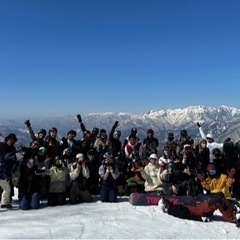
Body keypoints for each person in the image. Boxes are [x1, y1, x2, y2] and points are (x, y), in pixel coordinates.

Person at [159, 192, 240, 227]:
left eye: (165, 200)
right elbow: (186, 216)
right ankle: (232, 218)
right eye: (165, 202)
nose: (167, 200)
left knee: (220, 195)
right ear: (165, 207)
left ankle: (233, 209)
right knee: (217, 200)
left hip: (199, 207)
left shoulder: (174, 207)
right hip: (199, 211)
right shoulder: (174, 210)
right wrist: (200, 218)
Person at [0, 133, 19, 209]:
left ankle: (5, 202)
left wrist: (15, 165)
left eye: (13, 140)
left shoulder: (13, 148)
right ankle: (4, 203)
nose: (11, 141)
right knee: (7, 188)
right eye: (10, 140)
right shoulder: (1, 146)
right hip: (2, 171)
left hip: (6, 171)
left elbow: (13, 161)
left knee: (7, 188)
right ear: (7, 139)